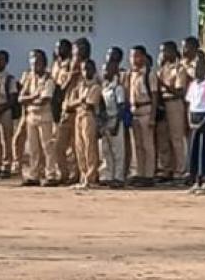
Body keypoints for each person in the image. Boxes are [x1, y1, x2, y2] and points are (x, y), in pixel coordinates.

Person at [19, 50, 59, 187]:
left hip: (44, 116)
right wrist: (33, 97)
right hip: (31, 115)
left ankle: (51, 174)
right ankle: (34, 174)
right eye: (32, 63)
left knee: (47, 147)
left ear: (43, 63)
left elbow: (45, 99)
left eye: (37, 62)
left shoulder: (49, 80)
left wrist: (29, 100)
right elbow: (20, 98)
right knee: (33, 148)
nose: (34, 65)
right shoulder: (29, 78)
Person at [155, 41, 189, 184]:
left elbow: (179, 91)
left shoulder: (180, 69)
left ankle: (180, 171)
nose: (162, 54)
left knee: (176, 138)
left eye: (165, 51)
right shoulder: (162, 69)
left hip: (174, 103)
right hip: (163, 104)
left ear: (173, 51)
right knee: (163, 138)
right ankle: (166, 169)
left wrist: (163, 84)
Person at [67, 60, 102, 191]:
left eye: (88, 69)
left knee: (89, 147)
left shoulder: (96, 86)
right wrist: (79, 101)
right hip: (78, 116)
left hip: (89, 116)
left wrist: (78, 102)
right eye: (83, 69)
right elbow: (69, 104)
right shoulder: (80, 86)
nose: (86, 72)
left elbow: (90, 104)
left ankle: (91, 177)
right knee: (79, 147)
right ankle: (83, 176)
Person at [126, 46, 157, 188]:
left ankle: (149, 175)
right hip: (134, 111)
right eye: (131, 56)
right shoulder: (131, 74)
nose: (133, 59)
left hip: (146, 110)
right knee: (137, 145)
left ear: (144, 57)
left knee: (147, 145)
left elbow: (155, 96)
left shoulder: (149, 74)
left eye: (137, 56)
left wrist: (153, 117)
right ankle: (140, 172)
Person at [50, 39, 78, 184]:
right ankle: (63, 173)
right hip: (59, 108)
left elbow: (64, 86)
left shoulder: (71, 64)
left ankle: (75, 174)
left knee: (73, 145)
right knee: (58, 145)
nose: (58, 49)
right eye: (56, 47)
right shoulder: (56, 65)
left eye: (61, 47)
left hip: (71, 107)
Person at [185, 54, 205, 194]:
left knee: (204, 151)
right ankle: (196, 180)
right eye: (194, 68)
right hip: (194, 118)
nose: (196, 71)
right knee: (194, 151)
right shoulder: (193, 85)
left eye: (199, 68)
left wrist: (203, 122)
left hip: (204, 118)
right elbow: (189, 104)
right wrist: (190, 120)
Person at [99, 58, 128, 189]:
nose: (104, 72)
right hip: (105, 121)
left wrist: (116, 124)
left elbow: (121, 106)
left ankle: (119, 177)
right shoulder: (104, 87)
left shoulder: (118, 88)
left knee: (118, 151)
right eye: (103, 70)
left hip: (115, 120)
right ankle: (109, 176)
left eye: (107, 70)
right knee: (106, 150)